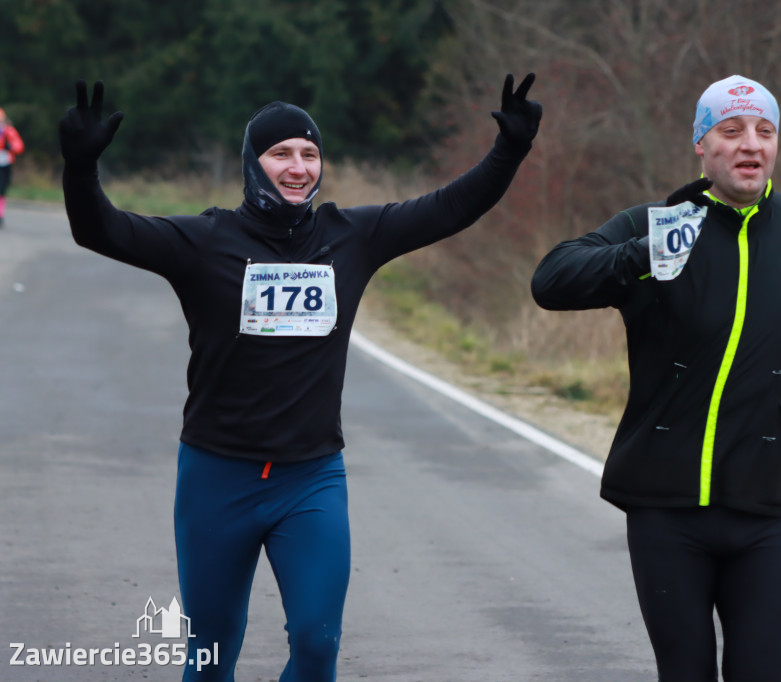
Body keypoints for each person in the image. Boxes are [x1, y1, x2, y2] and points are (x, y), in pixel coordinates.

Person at [59, 75, 541, 681]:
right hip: (217, 479)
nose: (298, 167)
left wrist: (509, 151)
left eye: (309, 154)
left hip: (310, 479)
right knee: (210, 654)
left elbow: (449, 207)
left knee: (316, 644)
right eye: (281, 153)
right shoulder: (206, 241)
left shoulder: (351, 237)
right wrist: (80, 169)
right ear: (253, 164)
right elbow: (99, 229)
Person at [531, 74, 781, 681]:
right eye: (731, 130)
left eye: (764, 132)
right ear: (701, 144)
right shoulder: (658, 224)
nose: (750, 144)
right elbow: (552, 280)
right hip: (666, 509)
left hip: (767, 506)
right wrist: (640, 257)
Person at [0, 107, 26, 227]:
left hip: (5, 164)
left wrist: (9, 146)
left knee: (2, 190)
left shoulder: (9, 131)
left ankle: (0, 215)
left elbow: (19, 146)